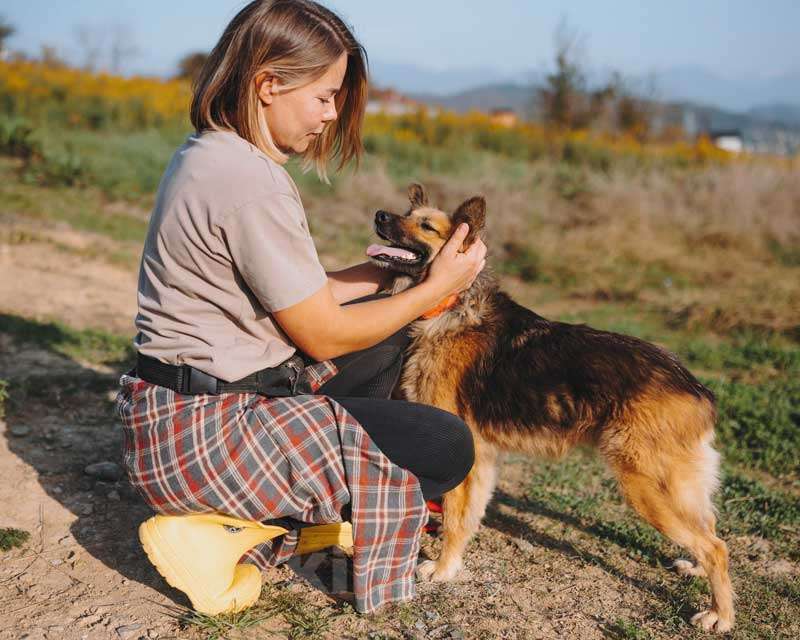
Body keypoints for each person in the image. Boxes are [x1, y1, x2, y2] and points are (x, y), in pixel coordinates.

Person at [116, 0, 486, 617]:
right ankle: (235, 532)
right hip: (205, 440)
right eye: (325, 96)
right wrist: (434, 285)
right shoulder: (250, 181)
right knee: (444, 444)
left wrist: (382, 274)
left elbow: (298, 294)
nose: (332, 114)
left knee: (392, 337)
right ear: (267, 85)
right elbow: (323, 335)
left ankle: (293, 504)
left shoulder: (211, 154)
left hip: (174, 415)